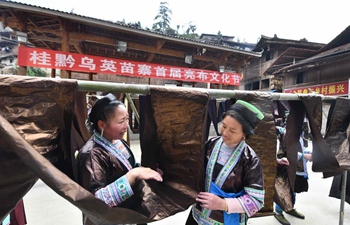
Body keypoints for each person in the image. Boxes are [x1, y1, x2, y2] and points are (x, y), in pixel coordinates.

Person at [76, 93, 163, 225]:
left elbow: (125, 166)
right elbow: (96, 201)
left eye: (127, 119)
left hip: (127, 213)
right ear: (102, 125)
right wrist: (133, 174)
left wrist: (145, 171)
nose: (126, 125)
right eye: (121, 121)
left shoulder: (116, 141)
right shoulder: (91, 154)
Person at [185, 100, 265, 225]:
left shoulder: (250, 160)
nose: (225, 133)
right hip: (198, 215)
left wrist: (223, 204)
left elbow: (256, 201)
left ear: (244, 134)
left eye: (232, 131)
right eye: (224, 125)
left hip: (224, 220)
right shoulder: (211, 144)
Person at [274, 112, 313, 225]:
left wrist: (308, 153)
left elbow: (299, 149)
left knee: (293, 190)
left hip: (296, 167)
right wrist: (305, 155)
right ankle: (278, 212)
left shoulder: (297, 134)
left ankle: (289, 208)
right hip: (287, 166)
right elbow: (288, 152)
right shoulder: (287, 134)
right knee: (284, 190)